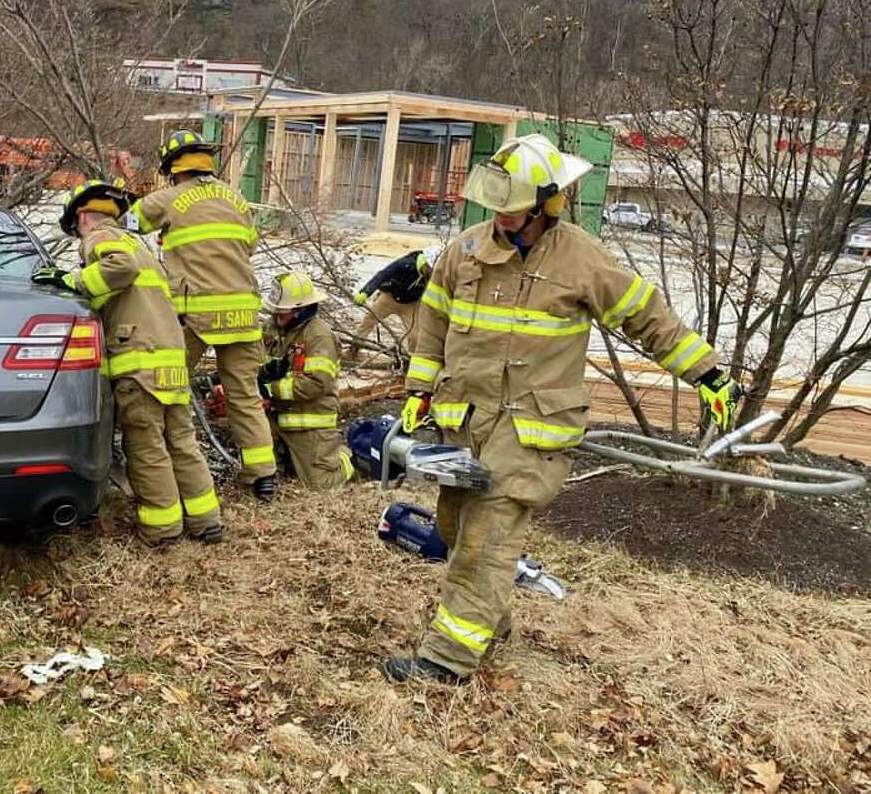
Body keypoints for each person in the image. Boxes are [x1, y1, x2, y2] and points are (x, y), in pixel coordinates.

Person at [384, 134, 742, 683]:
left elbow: (644, 315)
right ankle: (488, 621)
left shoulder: (580, 258)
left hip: (531, 430)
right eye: (498, 206)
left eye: (515, 209)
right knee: (457, 530)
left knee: (486, 539)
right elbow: (433, 325)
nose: (503, 218)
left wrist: (707, 374)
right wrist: (419, 390)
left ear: (548, 203)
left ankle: (445, 661)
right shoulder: (465, 252)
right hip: (465, 423)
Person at [32, 178, 223, 546]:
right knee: (182, 442)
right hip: (170, 361)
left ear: (83, 217)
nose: (78, 236)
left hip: (140, 364)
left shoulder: (101, 237)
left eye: (76, 227)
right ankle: (206, 521)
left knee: (147, 445)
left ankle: (162, 529)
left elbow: (120, 270)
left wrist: (71, 280)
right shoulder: (141, 244)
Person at [130, 129, 277, 501]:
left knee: (168, 389)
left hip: (196, 314)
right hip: (244, 312)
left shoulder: (169, 199)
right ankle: (262, 475)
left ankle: (165, 472)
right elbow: (248, 246)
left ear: (172, 169)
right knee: (244, 393)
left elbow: (125, 226)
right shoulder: (238, 200)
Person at [260, 271, 355, 490]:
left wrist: (268, 389)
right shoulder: (273, 329)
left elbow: (314, 385)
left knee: (320, 484)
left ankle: (350, 458)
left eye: (281, 311)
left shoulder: (319, 336)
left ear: (300, 309)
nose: (275, 315)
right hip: (277, 415)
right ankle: (285, 458)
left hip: (309, 421)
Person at [349, 244, 442, 358]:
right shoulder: (404, 264)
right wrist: (365, 292)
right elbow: (382, 275)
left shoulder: (433, 275)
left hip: (411, 304)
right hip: (389, 298)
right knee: (368, 321)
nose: (432, 272)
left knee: (415, 335)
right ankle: (354, 349)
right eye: (430, 269)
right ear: (425, 263)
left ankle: (410, 359)